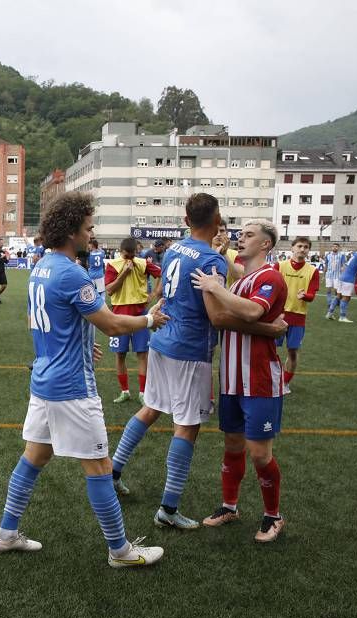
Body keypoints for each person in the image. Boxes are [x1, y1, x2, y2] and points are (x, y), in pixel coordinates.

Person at [0, 190, 167, 568]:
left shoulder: (41, 266)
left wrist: (79, 344)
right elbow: (114, 323)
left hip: (45, 379)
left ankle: (6, 533)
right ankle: (120, 552)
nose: (91, 233)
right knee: (100, 466)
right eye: (88, 227)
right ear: (72, 231)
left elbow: (44, 322)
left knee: (35, 455)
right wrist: (151, 319)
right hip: (71, 387)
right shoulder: (73, 273)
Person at [108, 194, 228, 524]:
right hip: (189, 349)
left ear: (187, 221)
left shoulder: (175, 248)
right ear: (217, 220)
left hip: (162, 339)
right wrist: (258, 323)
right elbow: (216, 317)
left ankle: (113, 472)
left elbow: (161, 290)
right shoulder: (212, 261)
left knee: (150, 409)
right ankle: (169, 509)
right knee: (186, 427)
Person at [192, 219, 289, 543]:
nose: (240, 238)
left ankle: (273, 516)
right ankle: (229, 506)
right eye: (240, 234)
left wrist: (214, 286)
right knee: (232, 446)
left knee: (260, 453)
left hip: (260, 380)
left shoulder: (270, 277)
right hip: (231, 380)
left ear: (266, 244)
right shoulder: (241, 280)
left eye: (249, 235)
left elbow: (249, 313)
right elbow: (227, 315)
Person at [105, 237, 162, 405]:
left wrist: (154, 294)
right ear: (121, 252)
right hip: (119, 316)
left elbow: (161, 273)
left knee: (142, 354)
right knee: (120, 354)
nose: (129, 259)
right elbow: (109, 290)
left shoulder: (142, 263)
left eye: (132, 255)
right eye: (126, 256)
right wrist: (124, 274)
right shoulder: (113, 265)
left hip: (140, 314)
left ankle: (143, 393)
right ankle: (125, 391)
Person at [276, 237, 320, 392]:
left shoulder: (313, 271)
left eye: (306, 247)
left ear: (309, 251)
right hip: (278, 316)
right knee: (269, 350)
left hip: (298, 318)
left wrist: (305, 296)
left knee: (292, 351)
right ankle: (270, 378)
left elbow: (312, 295)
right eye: (300, 246)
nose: (302, 249)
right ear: (292, 248)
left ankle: (285, 383)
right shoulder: (279, 266)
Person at [323, 243, 347, 319]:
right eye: (333, 246)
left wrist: (343, 273)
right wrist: (324, 275)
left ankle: (337, 301)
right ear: (331, 247)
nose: (335, 247)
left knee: (337, 291)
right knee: (328, 290)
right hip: (329, 275)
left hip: (338, 276)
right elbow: (326, 265)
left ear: (338, 248)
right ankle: (329, 303)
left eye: (336, 246)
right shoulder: (328, 255)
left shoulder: (341, 255)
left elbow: (343, 265)